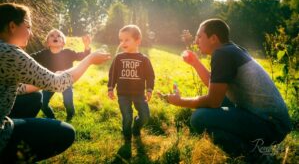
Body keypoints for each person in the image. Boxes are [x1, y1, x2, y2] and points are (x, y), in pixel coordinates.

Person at [163, 19, 291, 157]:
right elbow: (214, 86)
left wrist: (179, 101)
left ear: (213, 39)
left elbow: (213, 101)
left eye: (199, 36)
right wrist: (195, 63)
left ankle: (256, 156)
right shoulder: (232, 50)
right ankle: (256, 149)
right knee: (217, 101)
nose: (196, 41)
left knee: (199, 118)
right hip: (274, 122)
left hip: (271, 125)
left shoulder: (222, 54)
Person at [0, 3, 111, 163]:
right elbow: (58, 84)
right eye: (28, 26)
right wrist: (91, 59)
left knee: (34, 97)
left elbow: (15, 87)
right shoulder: (9, 53)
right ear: (12, 26)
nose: (30, 33)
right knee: (66, 132)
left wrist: (42, 82)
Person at [108, 25, 155, 143]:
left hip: (139, 94)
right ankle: (127, 137)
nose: (123, 43)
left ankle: (136, 127)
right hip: (123, 94)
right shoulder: (119, 58)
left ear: (138, 40)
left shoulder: (144, 59)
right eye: (121, 40)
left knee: (145, 116)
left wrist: (149, 89)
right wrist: (110, 87)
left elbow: (150, 75)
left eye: (126, 40)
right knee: (127, 117)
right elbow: (112, 73)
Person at [31, 29, 91, 121]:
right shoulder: (43, 53)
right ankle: (52, 118)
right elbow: (29, 57)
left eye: (58, 36)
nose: (55, 37)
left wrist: (86, 46)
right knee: (42, 103)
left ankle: (70, 115)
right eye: (52, 35)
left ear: (63, 42)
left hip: (66, 81)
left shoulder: (68, 52)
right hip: (50, 81)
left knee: (68, 102)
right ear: (47, 43)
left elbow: (83, 56)